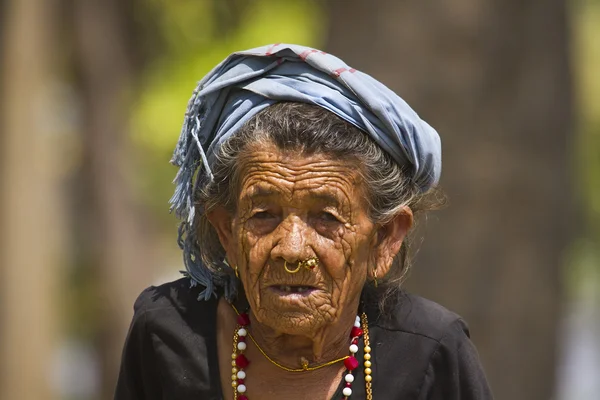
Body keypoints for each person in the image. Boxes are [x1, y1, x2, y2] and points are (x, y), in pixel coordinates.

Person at [115, 43, 493, 400]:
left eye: (326, 218)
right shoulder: (166, 335)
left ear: (384, 239)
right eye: (263, 215)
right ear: (227, 231)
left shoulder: (430, 352)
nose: (292, 249)